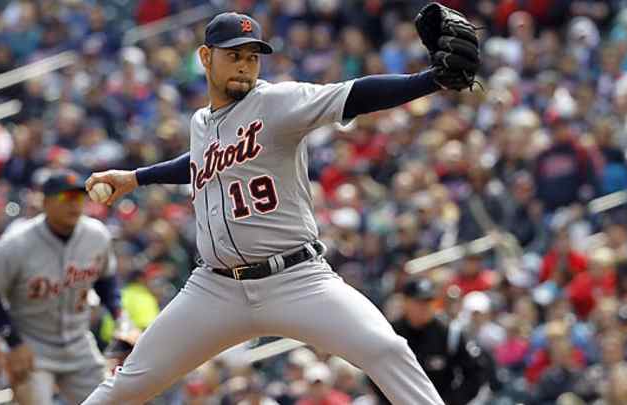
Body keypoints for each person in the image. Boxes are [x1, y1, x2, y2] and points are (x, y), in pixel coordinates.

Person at [83, 8, 479, 404]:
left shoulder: (278, 102)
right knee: (129, 384)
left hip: (296, 279)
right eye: (233, 55)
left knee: (387, 350)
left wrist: (430, 81)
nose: (244, 66)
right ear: (206, 58)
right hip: (215, 289)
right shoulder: (201, 122)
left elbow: (356, 94)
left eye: (252, 57)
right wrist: (136, 178)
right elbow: (200, 162)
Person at [0, 170, 122, 405]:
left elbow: (107, 281)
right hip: (32, 346)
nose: (74, 204)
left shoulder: (97, 235)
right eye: (65, 197)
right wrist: (13, 343)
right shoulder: (17, 242)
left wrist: (119, 316)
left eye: (79, 197)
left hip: (79, 344)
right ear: (45, 202)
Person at [391, 278, 489, 405]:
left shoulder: (450, 332)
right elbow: (375, 372)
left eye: (429, 301)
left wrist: (451, 401)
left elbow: (475, 373)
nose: (424, 306)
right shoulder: (391, 333)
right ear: (405, 302)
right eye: (418, 301)